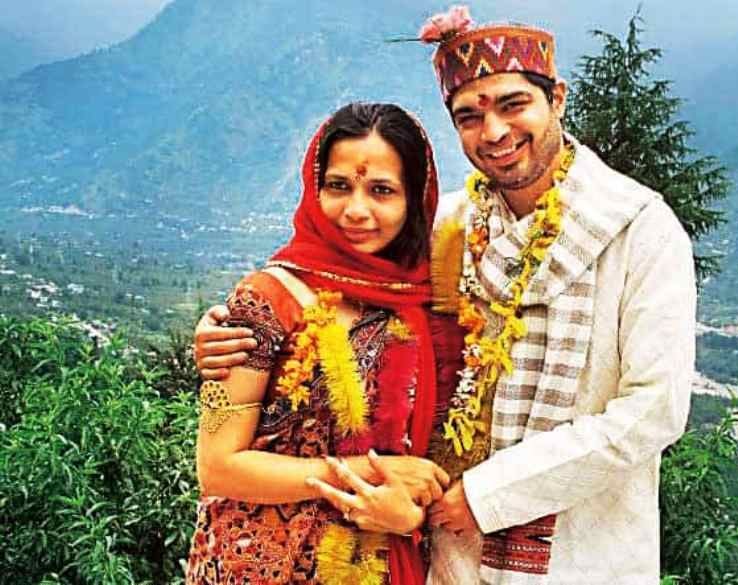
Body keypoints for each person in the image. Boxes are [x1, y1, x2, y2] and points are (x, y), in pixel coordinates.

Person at [194, 7, 696, 584]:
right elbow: (337, 286)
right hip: (446, 550)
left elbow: (652, 412)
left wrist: (487, 494)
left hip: (578, 551)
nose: (495, 132)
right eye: (469, 116)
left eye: (513, 105)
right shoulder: (449, 227)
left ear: (556, 98)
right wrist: (226, 334)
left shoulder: (639, 230)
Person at [185, 102, 463, 585]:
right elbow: (218, 467)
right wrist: (365, 474)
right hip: (258, 565)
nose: (356, 210)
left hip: (378, 559)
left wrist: (408, 510)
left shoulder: (424, 303)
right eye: (339, 186)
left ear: (414, 200)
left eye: (381, 191)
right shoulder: (263, 301)